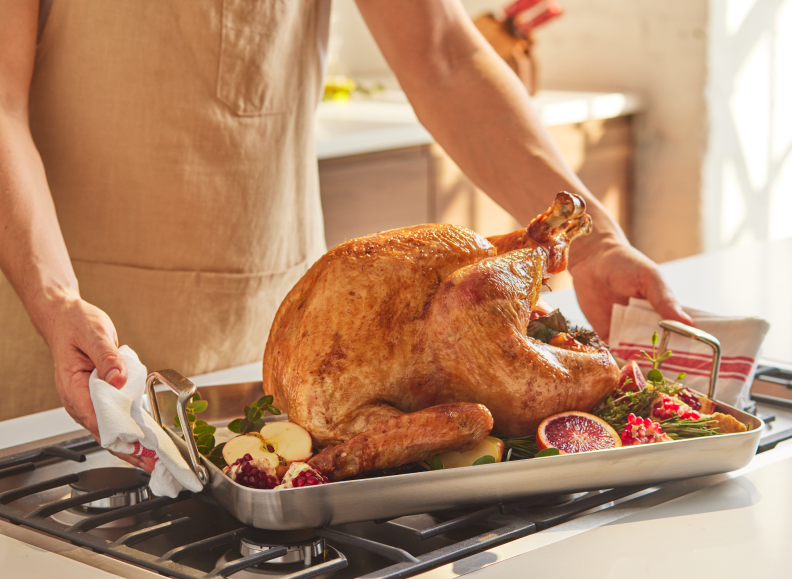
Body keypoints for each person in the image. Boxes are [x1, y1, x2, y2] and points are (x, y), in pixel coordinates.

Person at [0, 0, 691, 471]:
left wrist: (593, 241)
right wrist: (56, 301)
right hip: (69, 358)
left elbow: (442, 56)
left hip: (290, 357)